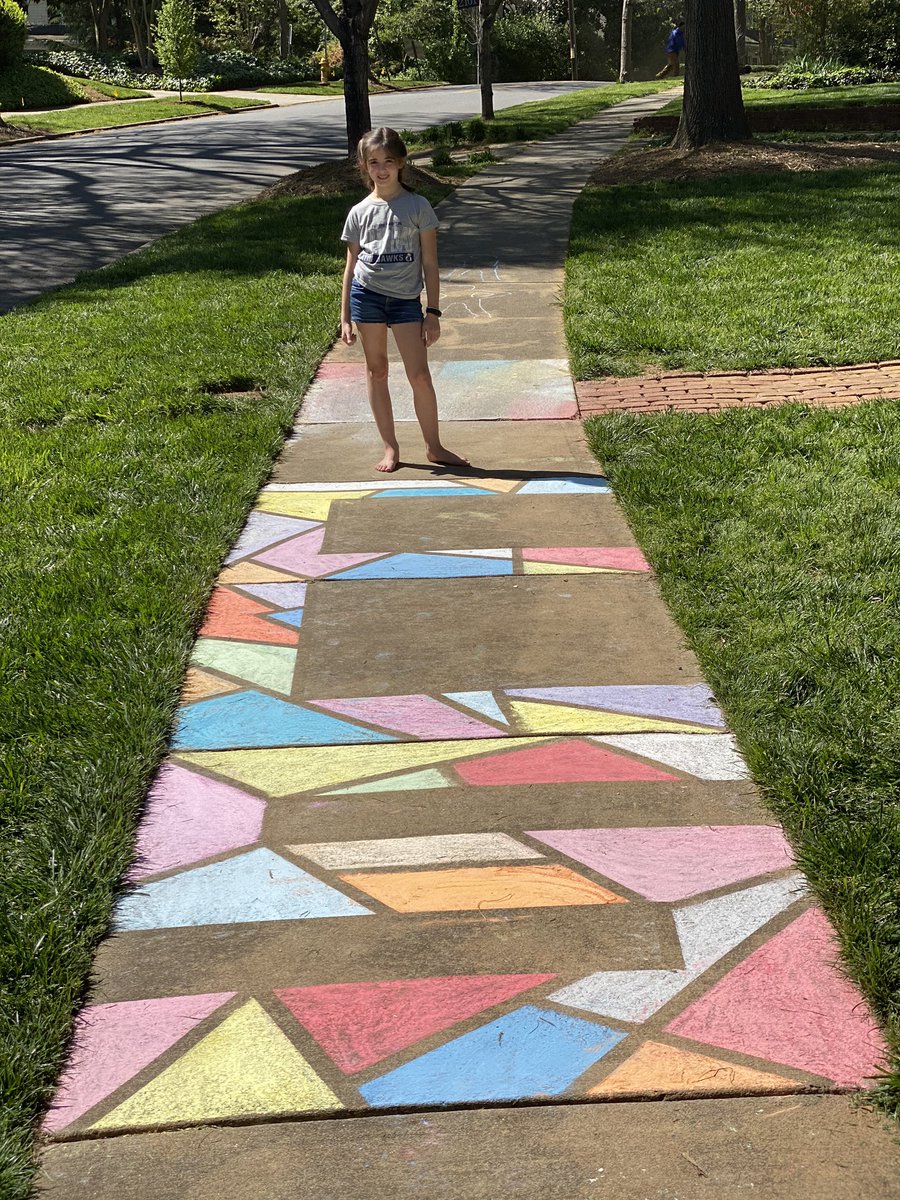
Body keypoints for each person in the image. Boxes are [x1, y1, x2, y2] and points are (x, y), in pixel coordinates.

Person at [340, 126, 468, 473]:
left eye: (388, 162)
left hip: (405, 302)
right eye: (373, 162)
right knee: (376, 370)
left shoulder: (417, 206)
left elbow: (430, 262)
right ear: (364, 166)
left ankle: (434, 447)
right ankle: (390, 448)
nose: (381, 169)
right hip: (366, 299)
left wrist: (433, 312)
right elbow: (350, 268)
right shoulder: (359, 212)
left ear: (401, 163)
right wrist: (345, 316)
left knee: (419, 375)